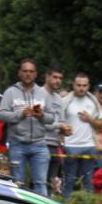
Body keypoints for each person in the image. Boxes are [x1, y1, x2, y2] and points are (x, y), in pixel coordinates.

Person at [0, 59, 57, 195]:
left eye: (31, 71)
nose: (28, 74)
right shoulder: (10, 92)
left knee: (41, 183)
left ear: (36, 74)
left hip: (39, 143)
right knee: (17, 183)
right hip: (17, 143)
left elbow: (52, 118)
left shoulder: (43, 93)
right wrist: (20, 114)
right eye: (25, 71)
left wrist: (42, 116)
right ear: (19, 73)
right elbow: (1, 115)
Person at [61, 73, 102, 198]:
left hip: (89, 145)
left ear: (88, 86)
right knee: (69, 180)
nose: (81, 88)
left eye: (84, 85)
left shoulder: (93, 102)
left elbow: (100, 124)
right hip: (70, 145)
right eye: (78, 85)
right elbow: (58, 122)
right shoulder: (65, 101)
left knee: (88, 180)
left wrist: (90, 119)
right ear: (73, 85)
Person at [40, 67, 67, 195]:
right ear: (47, 77)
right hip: (40, 142)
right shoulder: (38, 94)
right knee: (40, 180)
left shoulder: (59, 99)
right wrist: (59, 127)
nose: (58, 81)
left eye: (60, 78)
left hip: (55, 144)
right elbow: (37, 121)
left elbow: (61, 120)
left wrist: (65, 130)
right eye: (55, 77)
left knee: (52, 181)